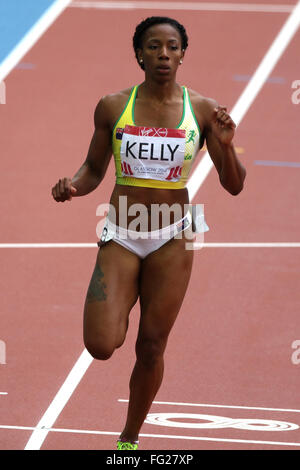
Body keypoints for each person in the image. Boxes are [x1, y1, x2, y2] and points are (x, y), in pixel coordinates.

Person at [51, 16, 246, 450]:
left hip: (173, 237)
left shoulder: (201, 110)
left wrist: (226, 145)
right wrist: (73, 187)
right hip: (123, 230)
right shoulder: (112, 105)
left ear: (181, 54)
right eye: (154, 46)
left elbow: (234, 185)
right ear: (139, 54)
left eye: (172, 47)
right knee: (102, 344)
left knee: (152, 346)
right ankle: (120, 306)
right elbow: (94, 169)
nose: (163, 54)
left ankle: (128, 440)